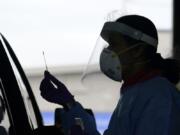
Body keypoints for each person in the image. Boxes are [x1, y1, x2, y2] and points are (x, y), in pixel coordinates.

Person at [40, 15, 180, 135]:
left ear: (137, 51)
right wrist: (69, 104)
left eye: (113, 44)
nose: (108, 51)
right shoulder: (134, 92)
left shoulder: (159, 96)